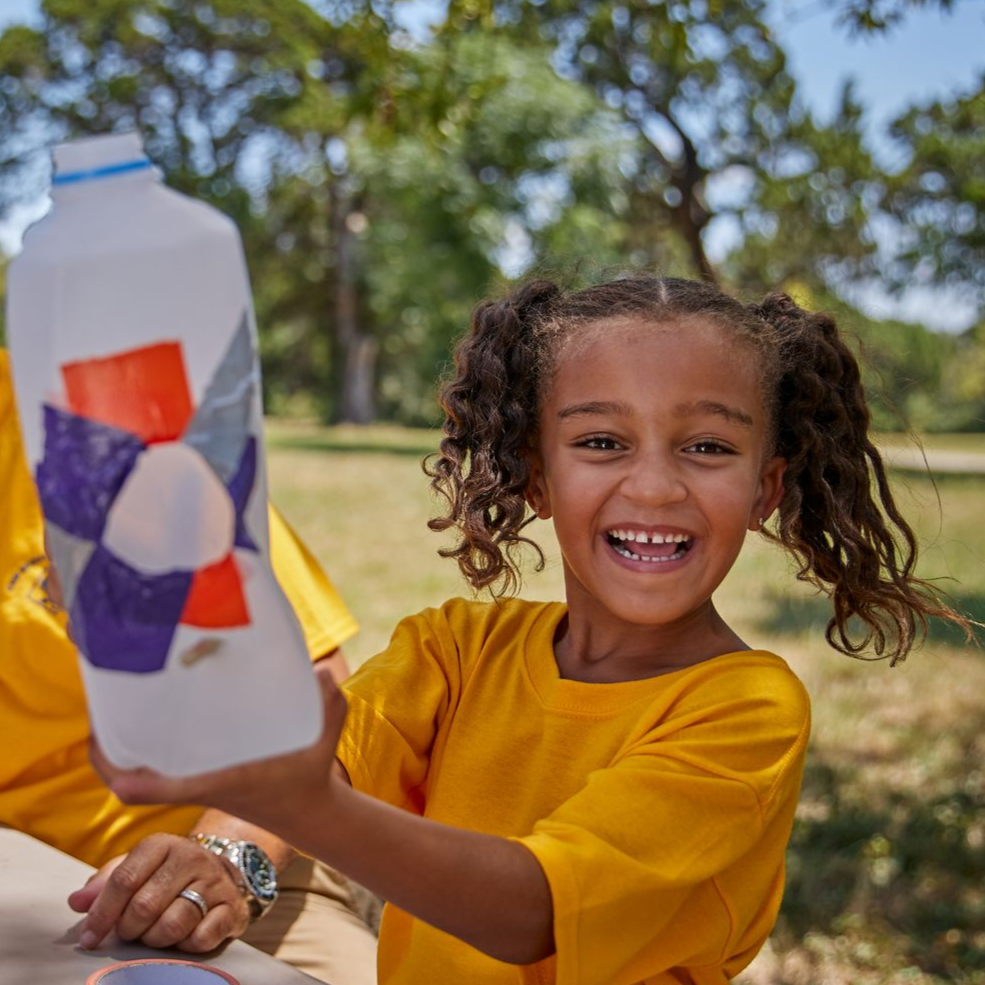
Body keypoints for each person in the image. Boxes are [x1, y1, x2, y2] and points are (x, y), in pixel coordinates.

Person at [93, 277, 967, 985]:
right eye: (600, 441)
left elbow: (531, 911)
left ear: (765, 489)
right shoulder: (455, 648)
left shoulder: (746, 711)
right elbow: (325, 754)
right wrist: (225, 856)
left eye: (706, 447)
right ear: (535, 479)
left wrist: (299, 804)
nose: (655, 486)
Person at [0, 347, 378, 985]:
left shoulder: (84, 416)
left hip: (235, 869)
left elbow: (321, 695)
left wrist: (228, 860)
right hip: (24, 883)